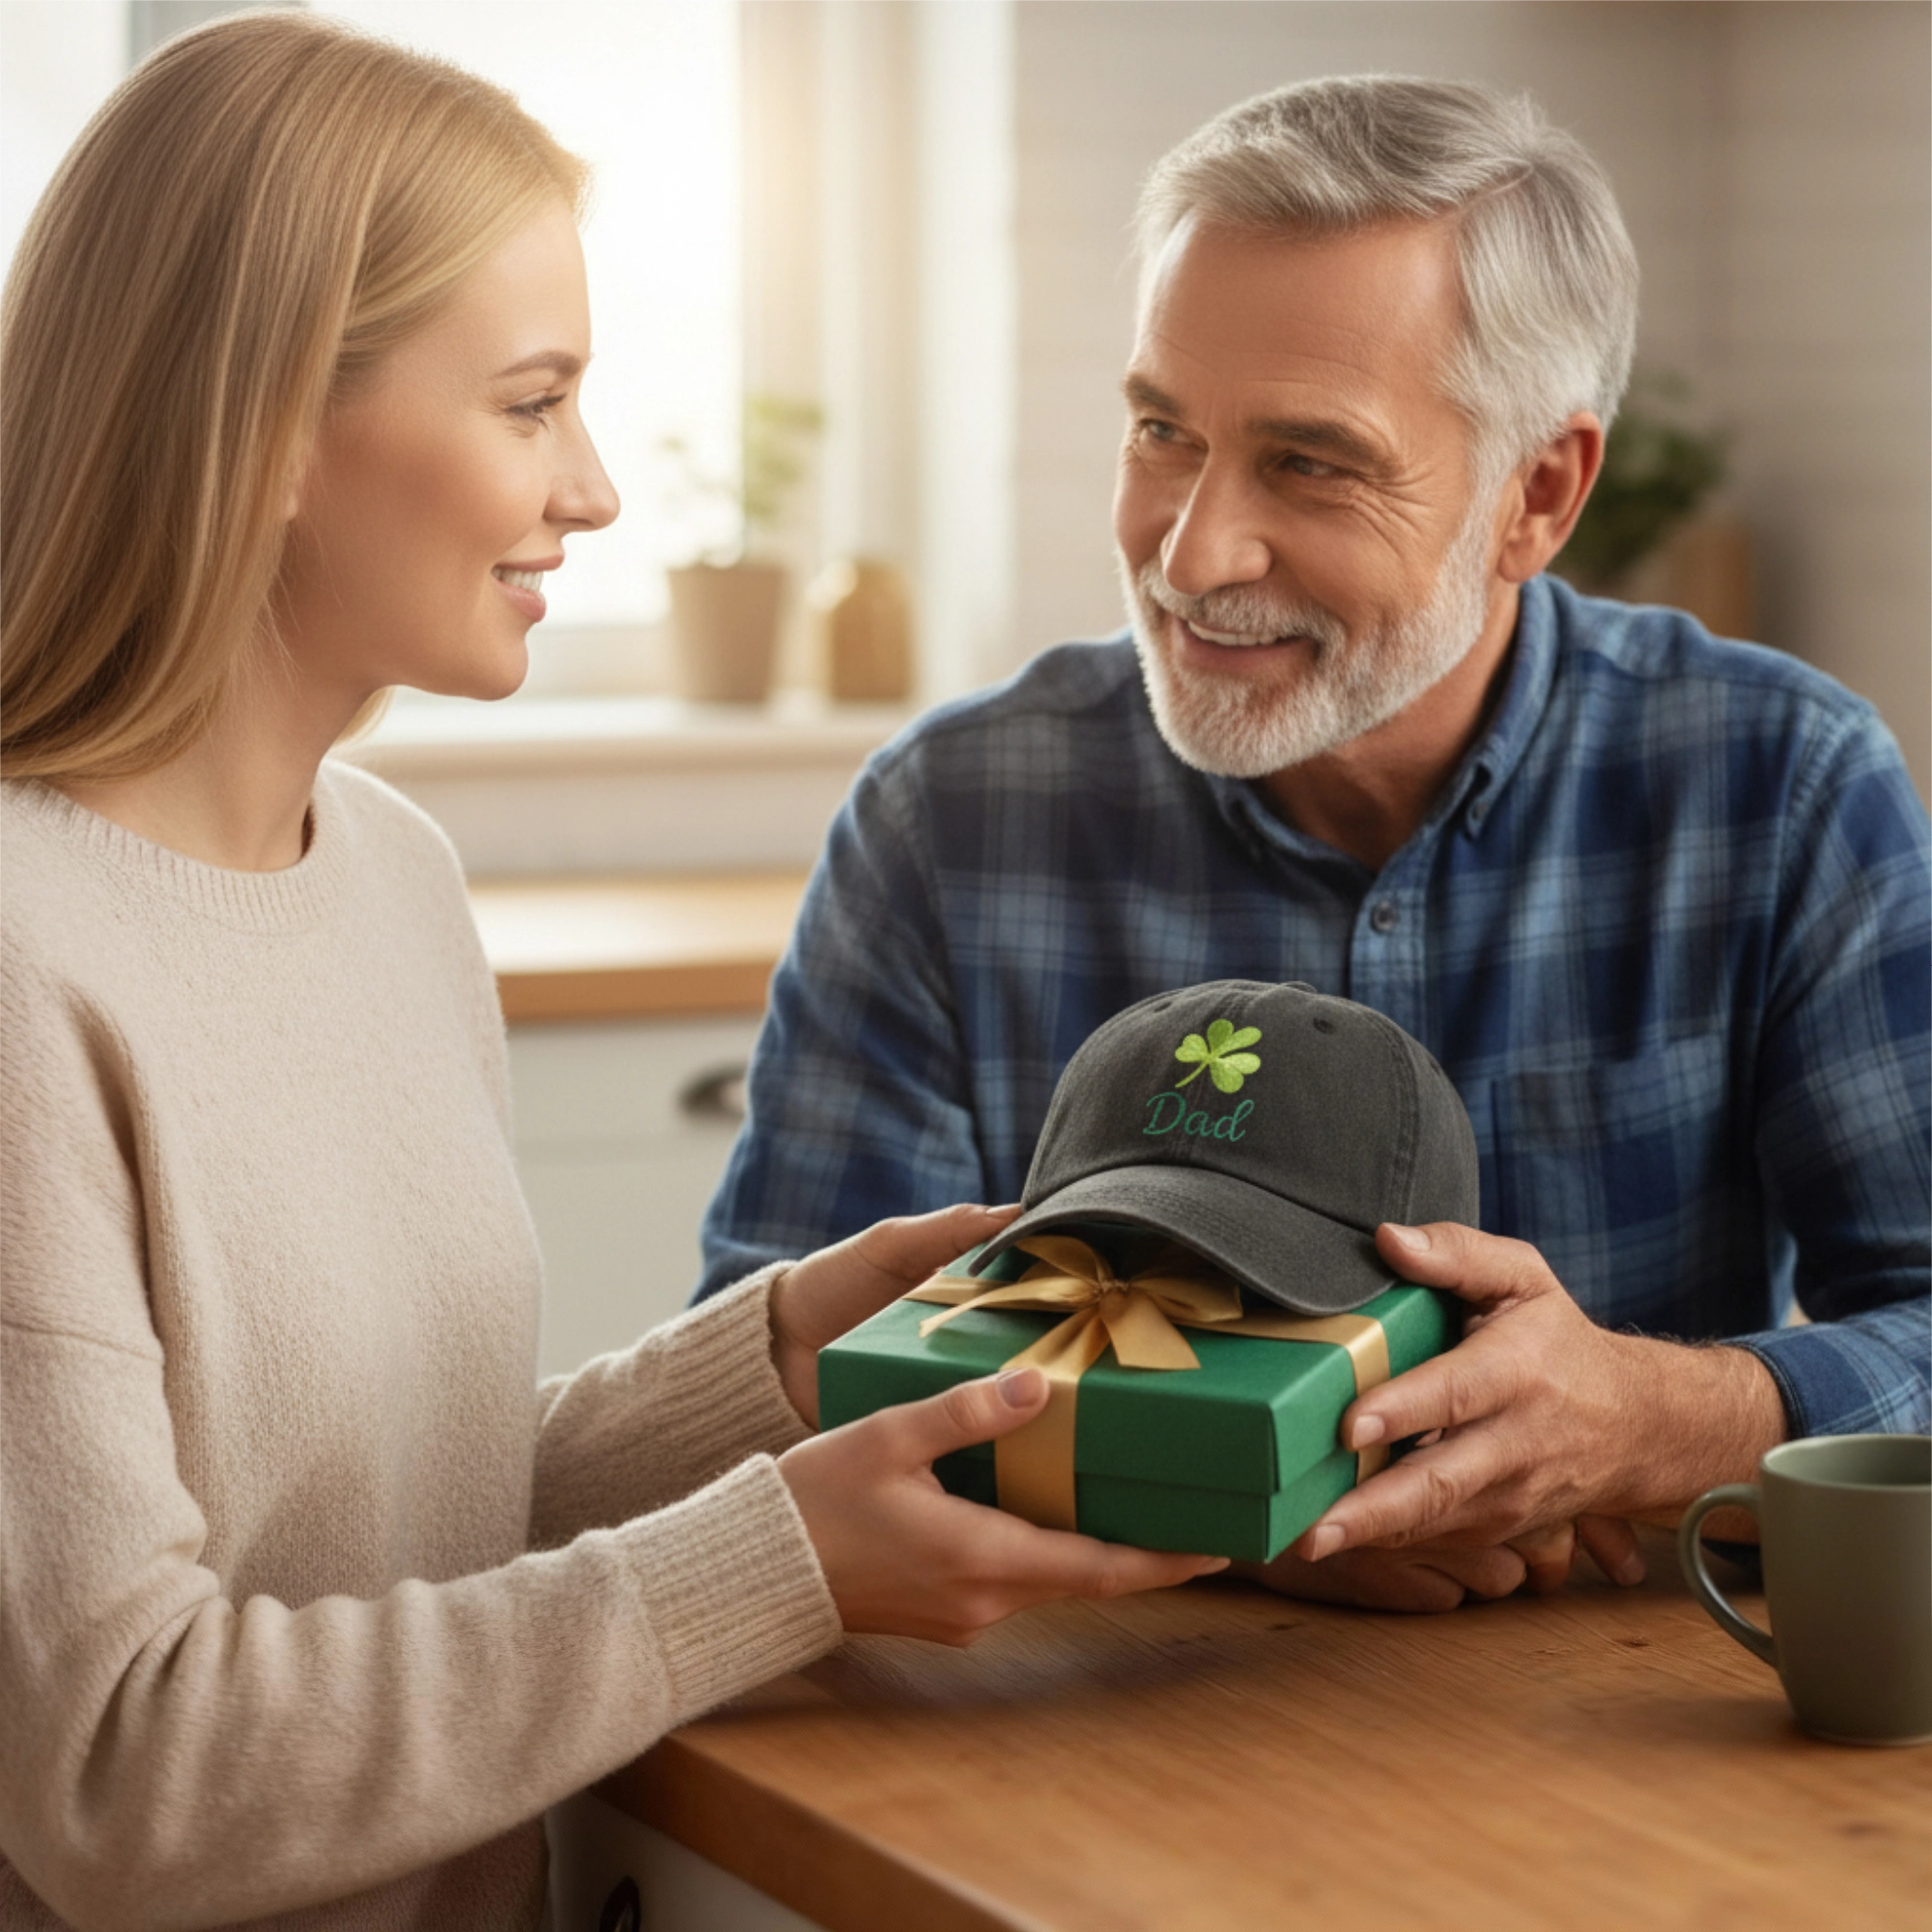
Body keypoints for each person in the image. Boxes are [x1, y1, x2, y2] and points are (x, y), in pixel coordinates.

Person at [0, 17, 1222, 1927]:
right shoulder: (27, 967)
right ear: (268, 425)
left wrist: (768, 1370)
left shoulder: (390, 878)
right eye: (529, 404)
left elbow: (396, 1526)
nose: (593, 490)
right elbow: (121, 1776)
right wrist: (774, 1563)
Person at [699, 76, 1931, 1613]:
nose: (1191, 551)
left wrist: (1653, 1421)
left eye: (1312, 462)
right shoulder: (948, 816)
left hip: (1624, 1722)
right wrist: (1242, 1510)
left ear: (1538, 494)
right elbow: (777, 1398)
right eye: (1163, 431)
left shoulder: (1779, 785)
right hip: (1099, 1708)